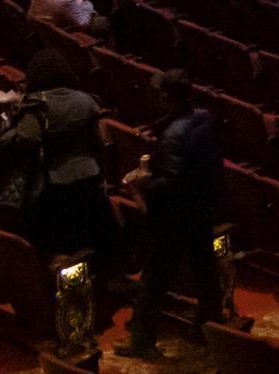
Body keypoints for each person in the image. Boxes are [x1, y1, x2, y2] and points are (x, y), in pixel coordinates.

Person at [117, 70, 225, 358]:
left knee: (154, 280)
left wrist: (143, 184)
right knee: (205, 273)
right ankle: (213, 328)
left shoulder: (173, 137)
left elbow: (170, 185)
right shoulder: (204, 117)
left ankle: (141, 342)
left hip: (174, 218)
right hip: (202, 209)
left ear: (167, 97)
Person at [0, 50, 114, 255]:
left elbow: (27, 138)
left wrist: (10, 125)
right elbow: (97, 141)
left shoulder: (37, 105)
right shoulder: (87, 100)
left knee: (62, 242)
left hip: (55, 181)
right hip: (89, 174)